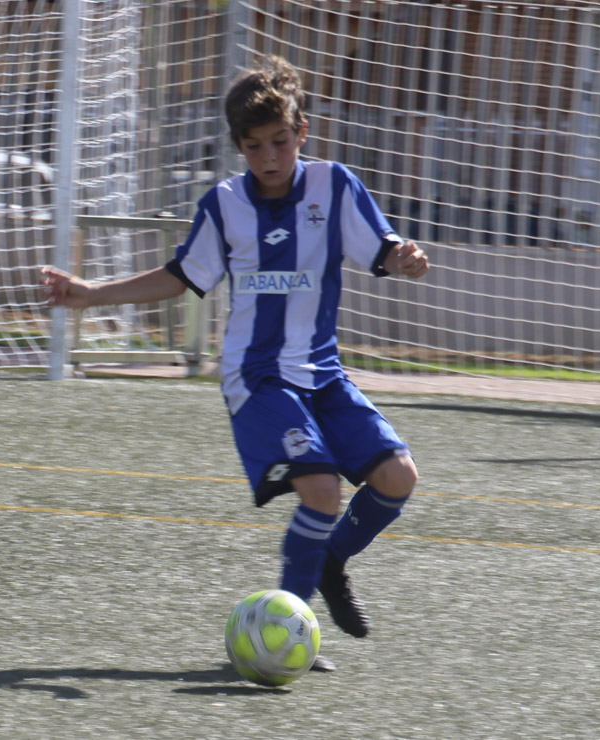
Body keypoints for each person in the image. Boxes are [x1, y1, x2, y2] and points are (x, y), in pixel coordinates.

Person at [41, 55, 430, 670]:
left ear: (301, 132)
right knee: (322, 490)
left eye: (280, 141)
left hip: (323, 373)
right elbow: (179, 277)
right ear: (238, 147)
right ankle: (288, 623)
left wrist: (405, 259)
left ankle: (330, 561)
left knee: (398, 476)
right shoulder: (224, 206)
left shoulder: (334, 186)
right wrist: (91, 294)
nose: (269, 157)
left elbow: (383, 250)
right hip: (258, 378)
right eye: (254, 147)